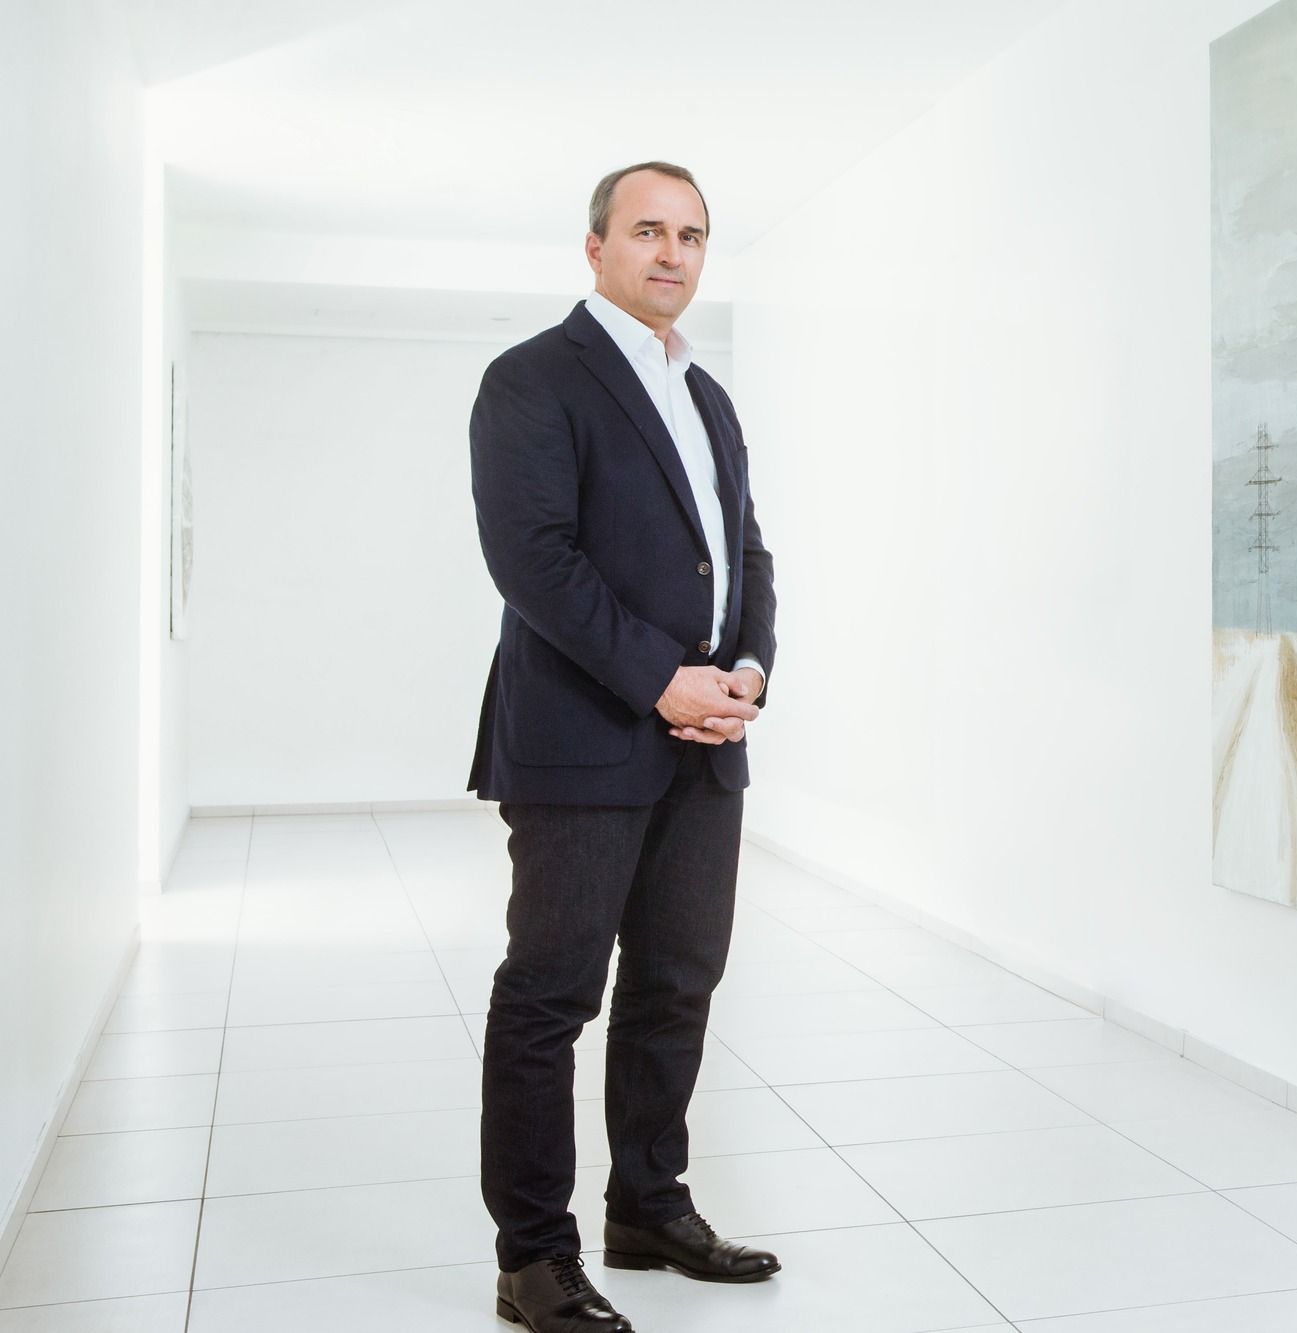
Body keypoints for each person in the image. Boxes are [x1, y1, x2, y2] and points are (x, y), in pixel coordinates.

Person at [465, 160, 780, 1333]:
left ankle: (647, 1206)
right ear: (595, 247)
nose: (672, 253)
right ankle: (533, 1259)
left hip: (707, 741)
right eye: (647, 230)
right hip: (582, 738)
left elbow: (745, 554)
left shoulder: (707, 395)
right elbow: (533, 559)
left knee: (676, 984)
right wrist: (662, 680)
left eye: (691, 235)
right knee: (550, 996)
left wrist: (746, 673)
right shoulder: (532, 378)